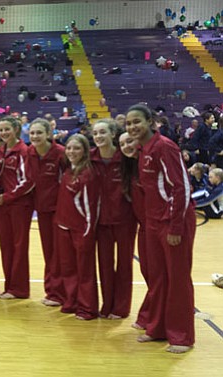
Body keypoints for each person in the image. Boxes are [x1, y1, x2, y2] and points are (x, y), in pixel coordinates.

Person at [125, 103, 196, 353]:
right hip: (153, 222)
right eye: (129, 123)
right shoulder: (143, 150)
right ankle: (157, 328)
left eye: (137, 122)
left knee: (177, 279)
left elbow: (181, 187)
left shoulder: (164, 146)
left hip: (173, 222)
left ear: (151, 121)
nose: (133, 127)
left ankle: (182, 336)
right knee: (158, 278)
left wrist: (175, 226)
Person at [90, 119, 137, 319]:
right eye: (95, 133)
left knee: (125, 264)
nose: (98, 136)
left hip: (125, 220)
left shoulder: (125, 157)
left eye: (102, 132)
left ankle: (121, 308)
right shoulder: (90, 158)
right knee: (105, 264)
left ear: (113, 135)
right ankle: (107, 304)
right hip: (100, 222)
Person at [55, 134, 100, 320]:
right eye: (69, 148)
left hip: (81, 230)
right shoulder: (68, 171)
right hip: (63, 227)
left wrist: (88, 232)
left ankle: (87, 308)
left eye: (77, 148)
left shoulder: (88, 174)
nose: (72, 152)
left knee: (85, 270)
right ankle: (71, 301)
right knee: (69, 269)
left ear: (85, 151)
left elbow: (91, 208)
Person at [26, 118, 67, 306]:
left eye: (39, 133)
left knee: (60, 253)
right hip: (41, 210)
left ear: (48, 134)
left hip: (60, 210)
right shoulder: (30, 153)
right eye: (32, 133)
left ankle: (60, 293)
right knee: (49, 252)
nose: (35, 136)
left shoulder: (60, 154)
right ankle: (52, 291)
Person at [0, 116, 34, 299]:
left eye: (7, 129)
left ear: (16, 129)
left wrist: (8, 196)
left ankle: (19, 289)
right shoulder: (0, 151)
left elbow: (29, 181)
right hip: (3, 204)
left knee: (19, 246)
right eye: (1, 130)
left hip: (19, 204)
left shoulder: (23, 151)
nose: (3, 133)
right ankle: (9, 286)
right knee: (6, 246)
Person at [118, 132, 150, 331]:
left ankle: (151, 317)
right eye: (122, 144)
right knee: (148, 273)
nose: (126, 146)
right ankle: (150, 316)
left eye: (129, 141)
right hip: (145, 229)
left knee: (158, 276)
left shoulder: (149, 162)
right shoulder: (130, 168)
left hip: (159, 226)